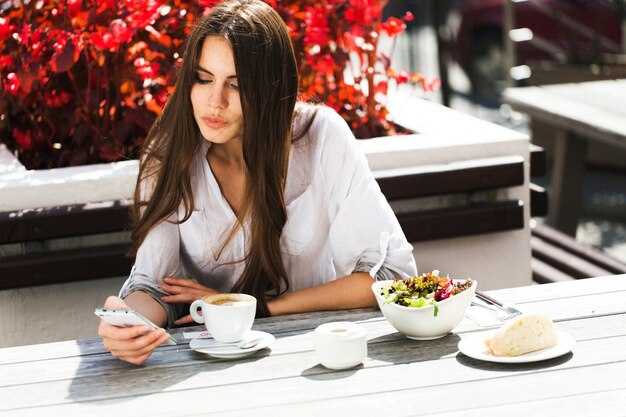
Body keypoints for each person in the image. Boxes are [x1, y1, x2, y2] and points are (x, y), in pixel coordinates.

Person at [98, 0, 417, 365]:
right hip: (211, 362)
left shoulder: (321, 137)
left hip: (315, 356)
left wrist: (253, 308)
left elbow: (389, 278)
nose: (214, 102)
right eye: (203, 79)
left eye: (237, 85)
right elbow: (153, 287)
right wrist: (127, 323)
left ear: (270, 87)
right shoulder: (171, 153)